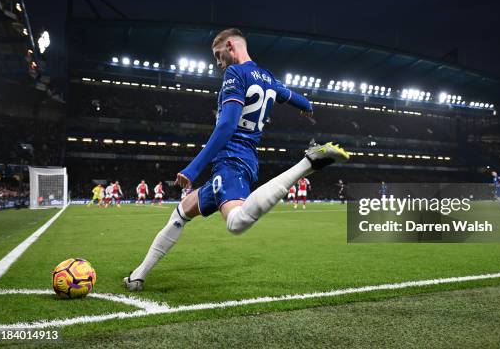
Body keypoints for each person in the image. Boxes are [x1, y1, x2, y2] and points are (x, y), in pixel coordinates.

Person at [125, 28, 349, 291]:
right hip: (245, 158)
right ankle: (138, 274)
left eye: (218, 55)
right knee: (182, 210)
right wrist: (307, 106)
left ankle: (307, 164)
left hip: (231, 158)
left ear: (230, 45)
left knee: (236, 223)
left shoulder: (235, 73)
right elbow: (290, 96)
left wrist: (193, 168)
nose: (218, 63)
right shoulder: (267, 77)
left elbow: (227, 125)